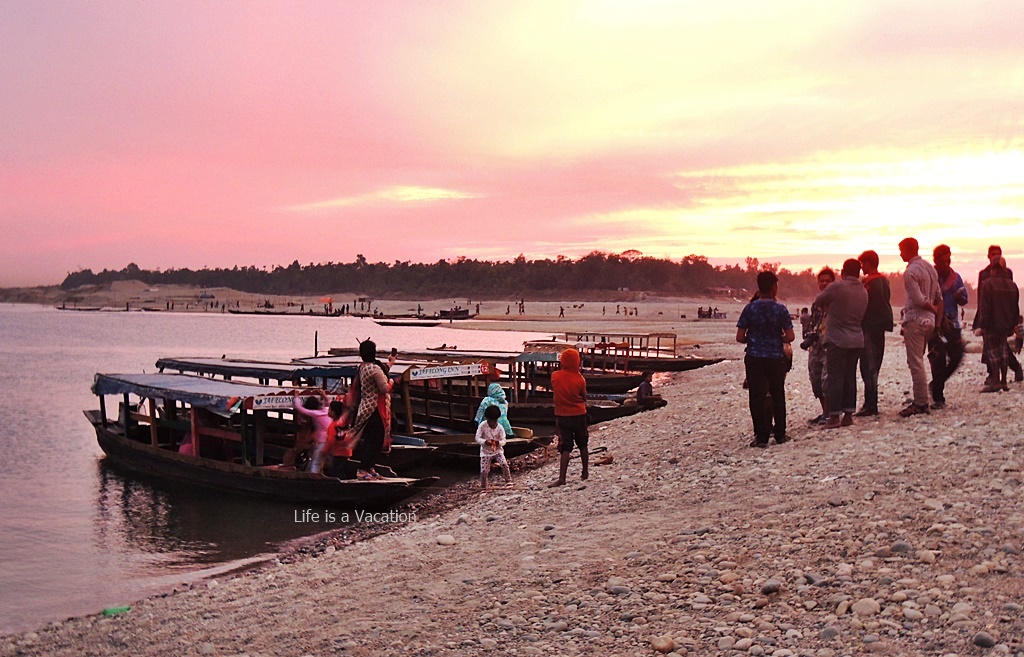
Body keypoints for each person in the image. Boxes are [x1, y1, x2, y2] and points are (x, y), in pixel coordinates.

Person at [736, 270, 795, 447]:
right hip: (775, 357)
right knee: (778, 394)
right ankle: (780, 434)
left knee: (756, 396)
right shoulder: (780, 309)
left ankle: (761, 436)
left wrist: (754, 339)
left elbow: (740, 337)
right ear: (774, 287)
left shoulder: (750, 308)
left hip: (754, 357)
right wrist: (777, 338)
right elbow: (790, 336)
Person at [814, 259, 868, 428]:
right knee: (850, 377)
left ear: (843, 272)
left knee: (835, 378)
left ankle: (834, 416)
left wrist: (828, 307)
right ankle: (848, 415)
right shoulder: (863, 291)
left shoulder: (837, 287)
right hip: (856, 339)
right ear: (858, 273)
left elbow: (818, 300)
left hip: (837, 339)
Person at [898, 237, 942, 417]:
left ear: (909, 250)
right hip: (929, 322)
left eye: (901, 250)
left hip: (916, 319)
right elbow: (938, 296)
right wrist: (937, 319)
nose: (900, 254)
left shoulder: (910, 272)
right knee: (920, 361)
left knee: (915, 362)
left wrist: (932, 308)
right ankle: (922, 399)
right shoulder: (930, 269)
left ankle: (921, 402)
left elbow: (919, 299)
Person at [342, 340, 393, 480]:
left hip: (365, 407)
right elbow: (384, 388)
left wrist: (390, 363)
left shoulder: (363, 367)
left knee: (372, 439)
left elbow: (382, 371)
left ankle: (369, 467)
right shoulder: (374, 369)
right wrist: (392, 382)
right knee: (375, 441)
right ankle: (363, 468)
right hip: (375, 409)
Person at [928, 244, 969, 408]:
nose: (946, 264)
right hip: (935, 324)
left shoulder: (955, 278)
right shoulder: (930, 277)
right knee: (937, 360)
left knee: (957, 356)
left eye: (948, 260)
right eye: (942, 261)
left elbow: (964, 300)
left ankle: (936, 384)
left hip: (952, 324)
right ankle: (938, 397)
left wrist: (959, 297)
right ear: (935, 261)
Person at [856, 250, 894, 416]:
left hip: (870, 326)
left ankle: (870, 404)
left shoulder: (869, 283)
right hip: (881, 326)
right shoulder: (884, 281)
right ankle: (871, 403)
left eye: (863, 264)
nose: (861, 267)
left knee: (868, 365)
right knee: (875, 363)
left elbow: (865, 304)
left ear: (869, 263)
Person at [974, 257, 1020, 392]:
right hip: (1006, 324)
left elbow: (985, 307)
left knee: (993, 353)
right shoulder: (1012, 285)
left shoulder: (988, 284)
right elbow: (1015, 308)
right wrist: (1013, 325)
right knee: (1004, 352)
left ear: (993, 269)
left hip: (992, 324)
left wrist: (983, 325)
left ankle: (995, 381)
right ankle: (1004, 381)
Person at [549, 347, 588, 487]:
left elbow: (555, 388)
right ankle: (585, 472)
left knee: (565, 447)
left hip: (562, 416)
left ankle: (562, 478)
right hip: (579, 415)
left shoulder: (555, 376)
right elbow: (584, 396)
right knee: (582, 444)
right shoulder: (580, 379)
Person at [802, 267, 835, 424]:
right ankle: (824, 412)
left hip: (830, 345)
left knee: (826, 380)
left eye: (827, 281)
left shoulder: (836, 302)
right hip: (815, 346)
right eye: (821, 281)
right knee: (815, 379)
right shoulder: (816, 304)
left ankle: (829, 413)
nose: (824, 284)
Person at [292, 390, 332, 474]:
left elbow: (300, 408)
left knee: (316, 461)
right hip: (329, 438)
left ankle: (313, 476)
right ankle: (313, 473)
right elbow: (329, 403)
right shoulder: (326, 411)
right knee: (317, 458)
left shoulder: (316, 414)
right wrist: (324, 395)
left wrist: (296, 397)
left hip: (322, 440)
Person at [476, 405, 513, 491]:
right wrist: (485, 442)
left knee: (504, 464)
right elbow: (477, 438)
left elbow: (504, 440)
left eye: (493, 421)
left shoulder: (500, 428)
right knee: (484, 471)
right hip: (485, 452)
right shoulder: (482, 426)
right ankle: (484, 487)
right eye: (489, 421)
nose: (491, 423)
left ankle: (508, 481)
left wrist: (498, 443)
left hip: (497, 451)